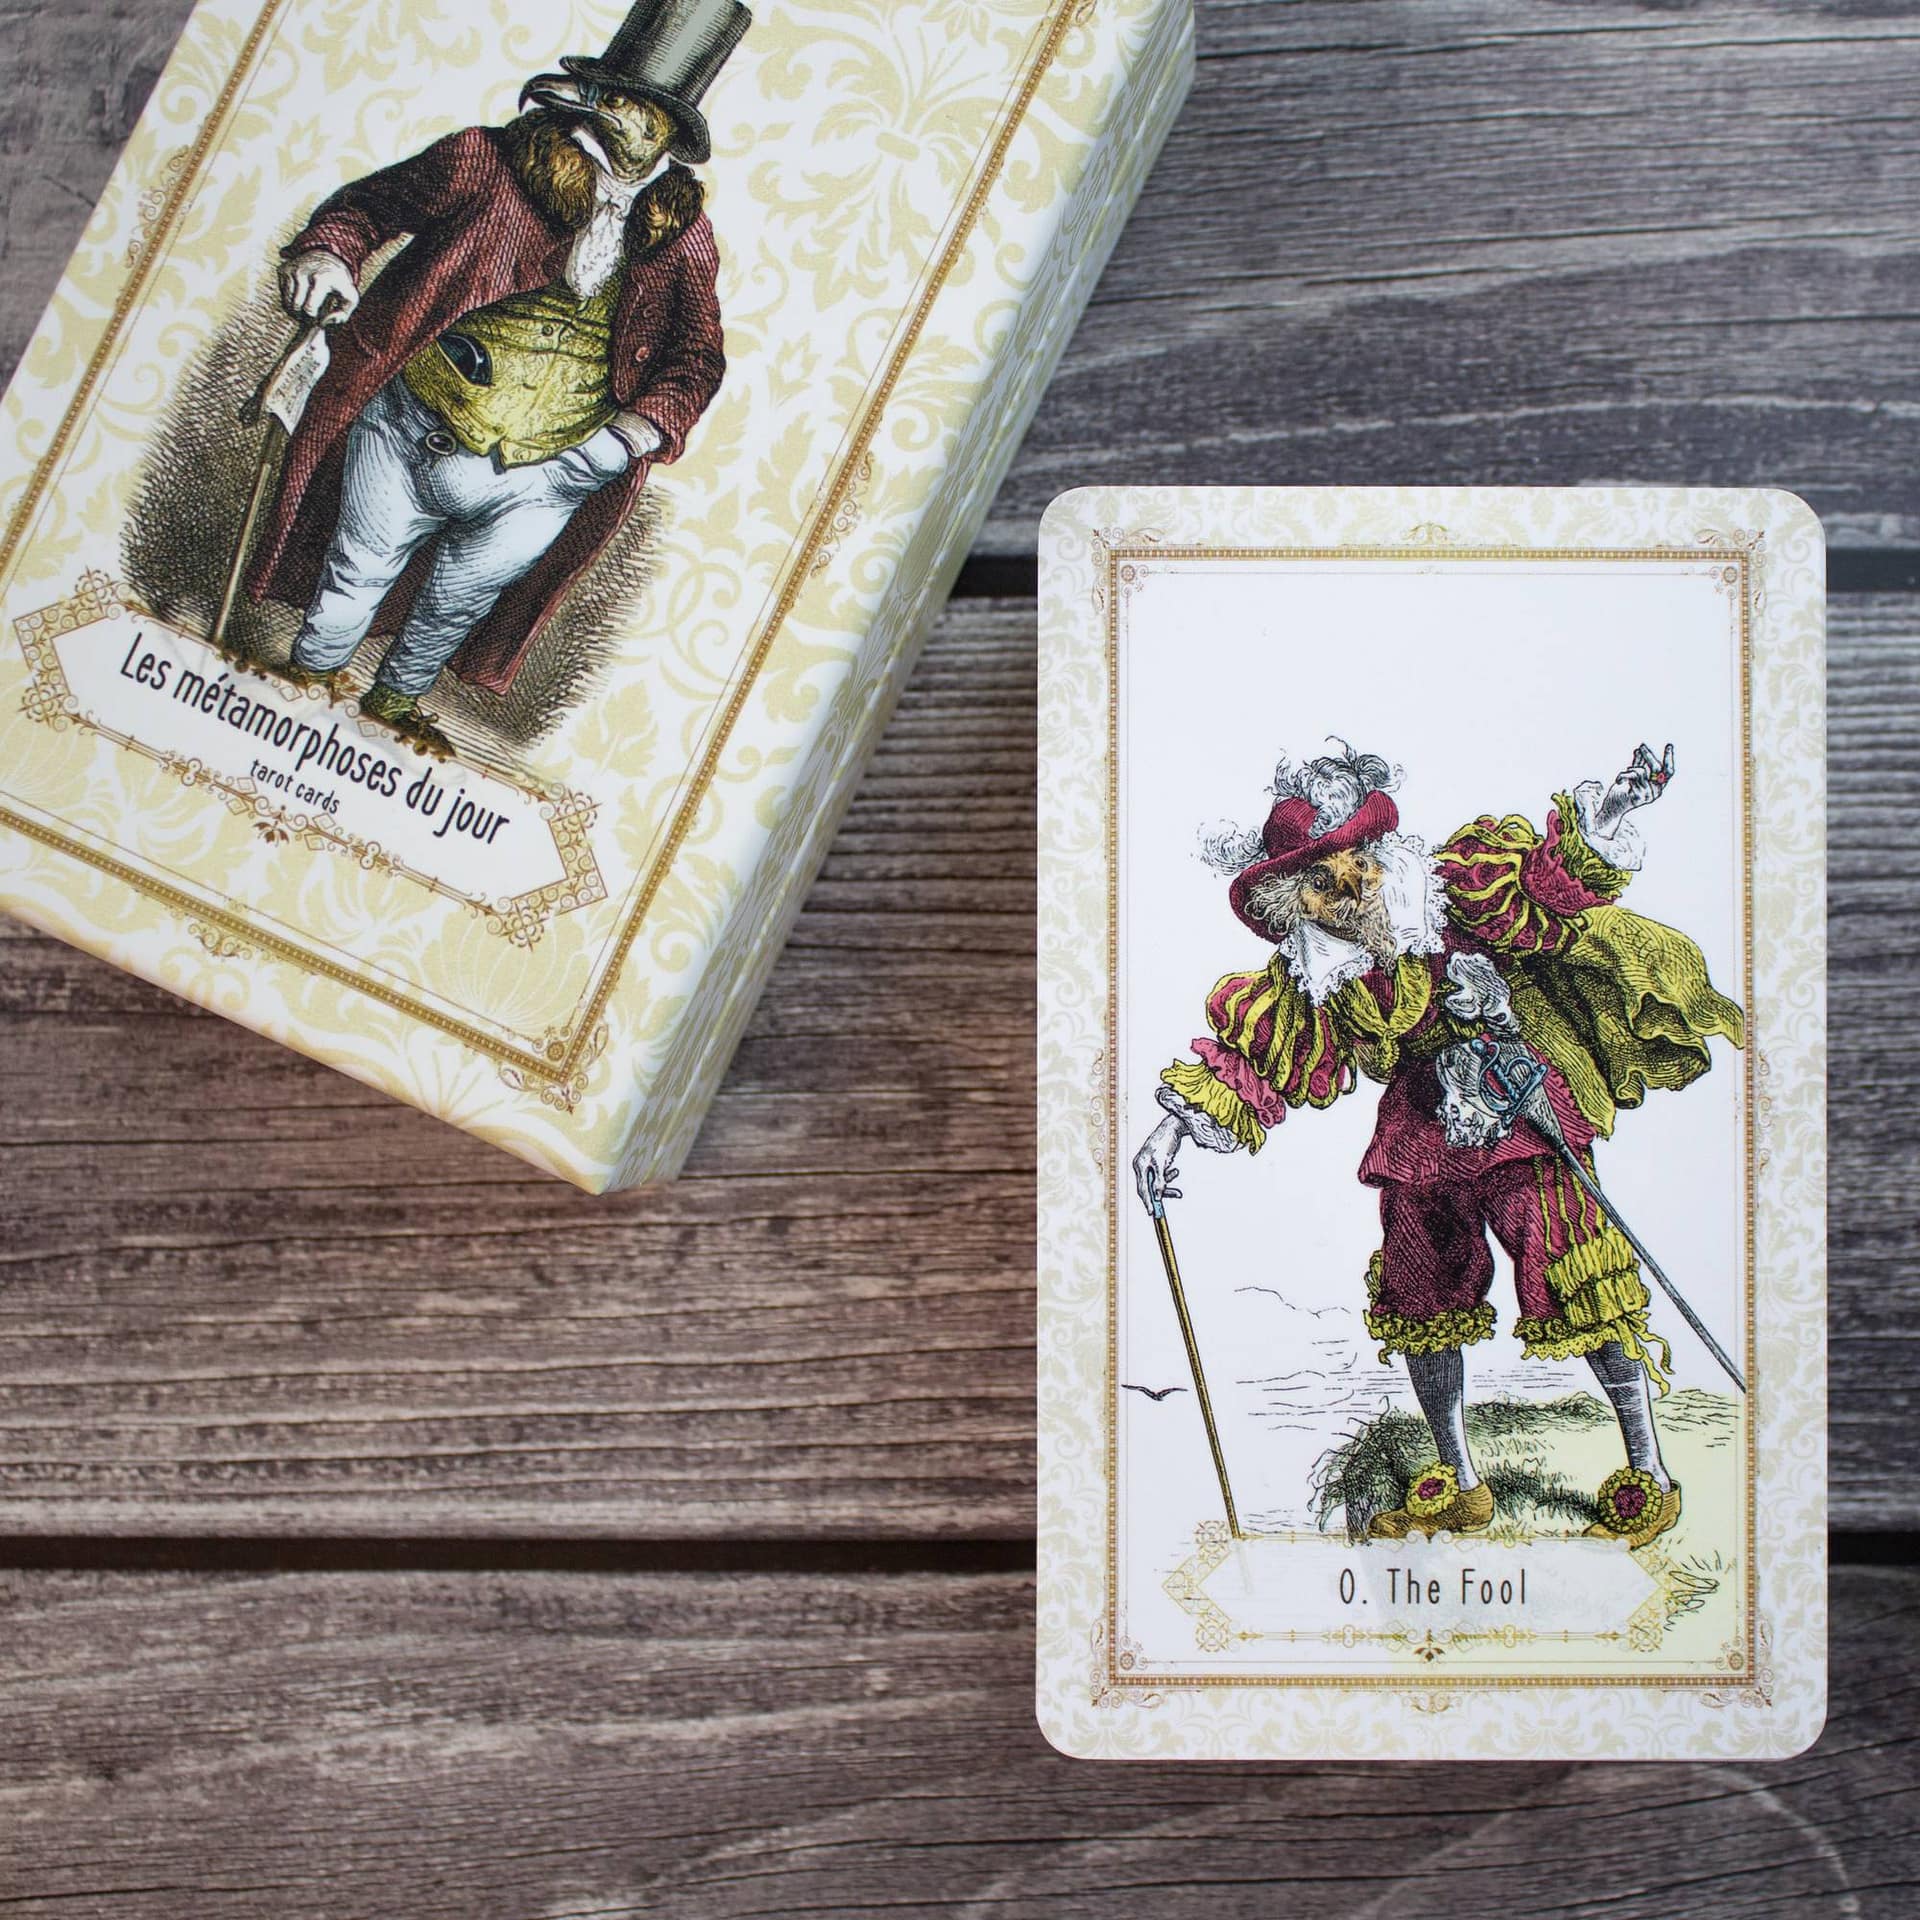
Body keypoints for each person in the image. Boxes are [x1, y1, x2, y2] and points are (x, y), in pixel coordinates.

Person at [1132, 742, 1744, 1546]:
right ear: (1290, 900)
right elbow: (1257, 1054)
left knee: (1578, 1274)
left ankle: (1649, 1471)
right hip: (1420, 1129)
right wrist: (1167, 1132)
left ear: (1378, 853)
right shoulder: (1316, 973)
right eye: (1319, 882)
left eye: (1355, 865)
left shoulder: (1450, 891)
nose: (1348, 891)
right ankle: (1460, 1483)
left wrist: (1610, 812)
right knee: (1420, 1290)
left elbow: (1546, 885)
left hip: (1515, 1102)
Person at [245, 0, 750, 753]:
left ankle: (393, 706)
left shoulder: (682, 234)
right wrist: (328, 254)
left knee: (457, 603)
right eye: (612, 95)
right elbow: (368, 207)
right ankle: (302, 685)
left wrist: (617, 445)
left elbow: (697, 359)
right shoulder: (487, 159)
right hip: (410, 427)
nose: (618, 114)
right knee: (355, 572)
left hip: (548, 474)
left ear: (667, 134)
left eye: (639, 107)